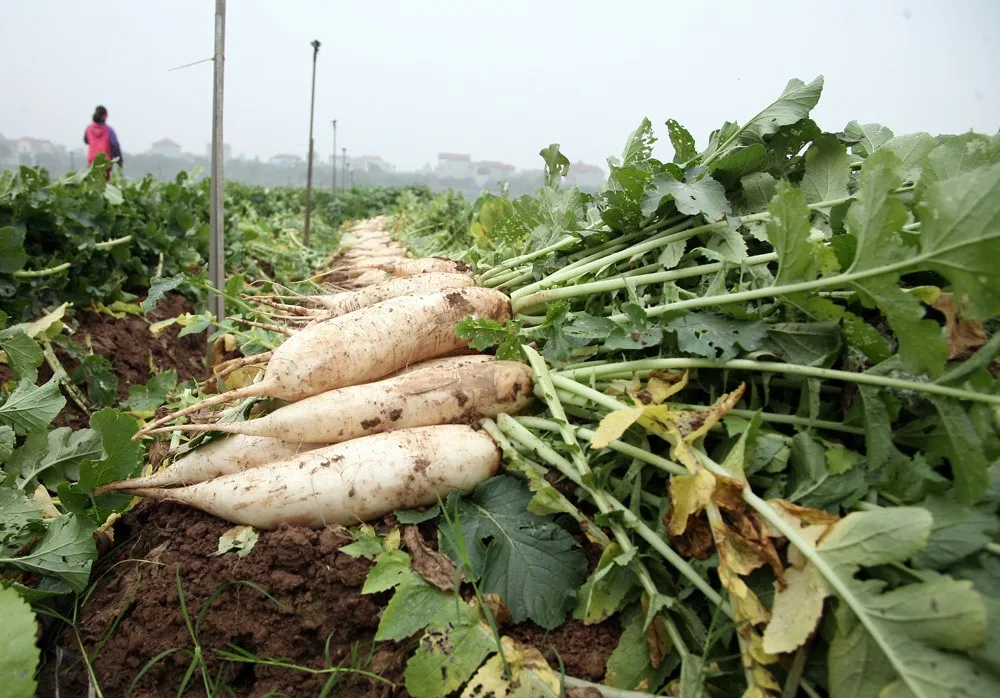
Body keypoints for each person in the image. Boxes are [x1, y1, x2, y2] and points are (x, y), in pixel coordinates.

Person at [83, 105, 122, 177]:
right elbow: (115, 145)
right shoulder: (109, 130)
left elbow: (86, 140)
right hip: (105, 161)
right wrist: (119, 161)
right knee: (105, 182)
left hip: (92, 161)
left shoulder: (89, 128)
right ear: (104, 116)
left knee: (92, 181)